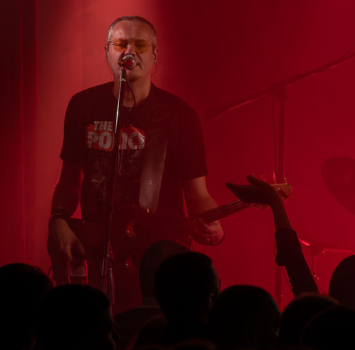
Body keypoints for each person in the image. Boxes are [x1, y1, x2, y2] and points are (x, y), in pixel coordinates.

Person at [47, 16, 224, 311]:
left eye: (140, 45)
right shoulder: (82, 105)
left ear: (155, 54)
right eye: (121, 43)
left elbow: (198, 195)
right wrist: (58, 219)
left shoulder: (179, 115)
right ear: (107, 53)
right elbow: (69, 179)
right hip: (96, 250)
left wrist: (214, 227)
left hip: (159, 258)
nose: (130, 51)